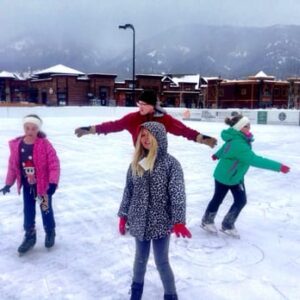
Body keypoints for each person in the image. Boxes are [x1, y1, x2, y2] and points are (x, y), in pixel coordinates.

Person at [118, 121, 191, 300]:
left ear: (158, 136)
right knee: (140, 260)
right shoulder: (137, 163)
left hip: (161, 221)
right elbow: (129, 190)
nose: (145, 139)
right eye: (142, 135)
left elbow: (177, 193)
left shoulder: (170, 164)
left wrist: (179, 220)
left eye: (148, 135)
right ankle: (136, 294)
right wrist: (123, 215)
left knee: (162, 262)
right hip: (139, 220)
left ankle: (171, 295)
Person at [201, 114, 290, 238]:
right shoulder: (239, 144)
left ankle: (227, 224)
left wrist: (217, 154)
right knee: (221, 199)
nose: (249, 128)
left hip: (235, 177)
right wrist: (278, 167)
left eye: (249, 125)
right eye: (246, 126)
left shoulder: (238, 138)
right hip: (225, 177)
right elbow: (255, 160)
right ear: (238, 128)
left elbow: (226, 147)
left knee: (239, 200)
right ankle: (208, 221)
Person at [74, 89, 217, 148]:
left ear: (152, 106)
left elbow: (183, 130)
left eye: (143, 104)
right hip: (140, 159)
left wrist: (201, 138)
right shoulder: (132, 118)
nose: (140, 106)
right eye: (139, 103)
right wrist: (90, 129)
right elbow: (112, 126)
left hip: (159, 160)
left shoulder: (164, 119)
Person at [0, 114, 60, 254]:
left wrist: (52, 183)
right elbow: (13, 166)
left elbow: (54, 164)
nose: (30, 131)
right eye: (27, 128)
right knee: (28, 211)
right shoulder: (17, 145)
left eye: (33, 128)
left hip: (42, 188)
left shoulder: (44, 144)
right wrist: (9, 183)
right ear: (24, 128)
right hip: (28, 188)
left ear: (38, 129)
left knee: (45, 210)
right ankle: (30, 236)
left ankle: (50, 231)